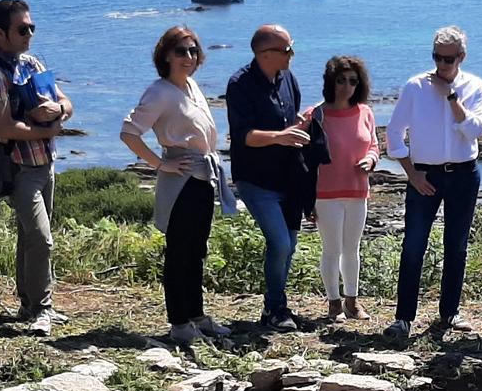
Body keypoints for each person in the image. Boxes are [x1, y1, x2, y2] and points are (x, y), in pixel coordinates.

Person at [120, 25, 232, 346]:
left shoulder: (191, 86)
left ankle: (196, 315)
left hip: (203, 177)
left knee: (197, 250)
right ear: (166, 55)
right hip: (181, 179)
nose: (189, 57)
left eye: (193, 50)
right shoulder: (160, 91)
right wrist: (160, 163)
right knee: (179, 252)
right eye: (181, 51)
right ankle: (179, 323)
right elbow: (129, 132)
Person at [0, 0, 73, 334]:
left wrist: (56, 113)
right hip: (17, 166)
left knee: (31, 238)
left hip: (45, 162)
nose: (29, 33)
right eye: (22, 29)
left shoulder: (32, 63)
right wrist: (46, 127)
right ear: (0, 33)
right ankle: (40, 308)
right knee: (41, 239)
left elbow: (65, 102)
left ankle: (32, 304)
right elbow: (2, 127)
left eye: (32, 27)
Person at [383, 26, 482, 344]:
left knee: (456, 246)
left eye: (449, 59)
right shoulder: (415, 86)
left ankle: (449, 312)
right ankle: (403, 318)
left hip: (463, 174)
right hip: (424, 175)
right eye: (437, 58)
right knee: (413, 246)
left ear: (461, 57)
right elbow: (393, 134)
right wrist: (411, 173)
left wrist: (451, 97)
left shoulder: (475, 85)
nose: (442, 64)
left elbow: (474, 131)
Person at [224, 24, 310, 331]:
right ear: (264, 53)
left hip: (289, 177)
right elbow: (243, 136)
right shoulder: (240, 84)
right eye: (287, 49)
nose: (292, 54)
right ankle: (275, 308)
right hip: (256, 180)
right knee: (280, 242)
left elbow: (289, 122)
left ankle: (276, 306)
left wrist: (300, 124)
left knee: (291, 243)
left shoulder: (289, 79)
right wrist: (280, 136)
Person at [311, 55, 379, 321]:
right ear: (331, 82)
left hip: (357, 191)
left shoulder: (366, 112)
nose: (347, 86)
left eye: (352, 81)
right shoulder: (316, 114)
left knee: (352, 249)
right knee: (332, 249)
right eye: (341, 80)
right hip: (326, 193)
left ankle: (352, 302)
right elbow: (301, 149)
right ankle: (334, 303)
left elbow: (373, 145)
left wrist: (371, 160)